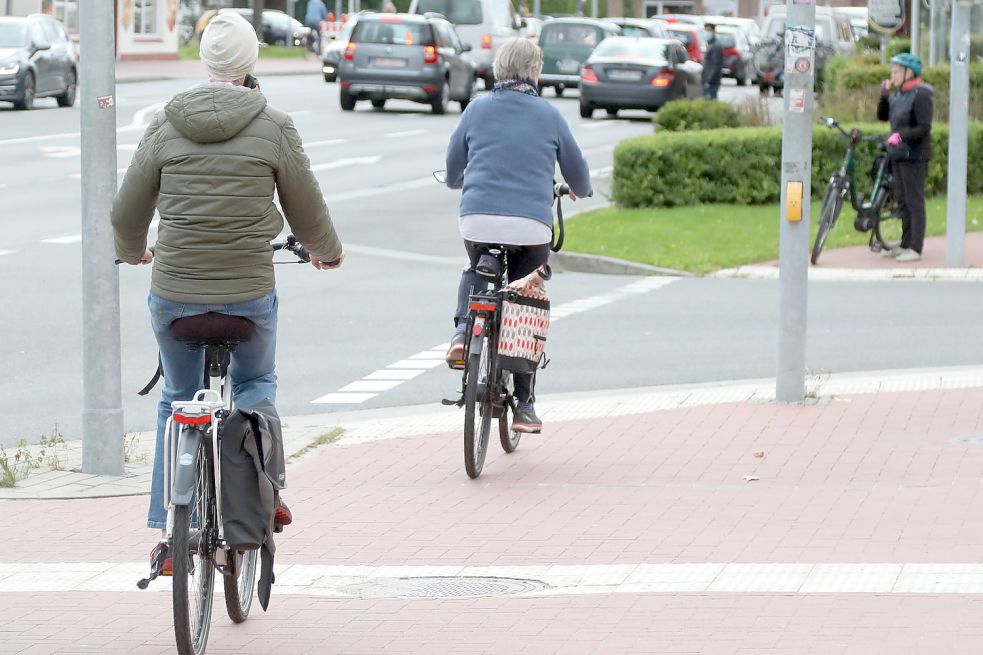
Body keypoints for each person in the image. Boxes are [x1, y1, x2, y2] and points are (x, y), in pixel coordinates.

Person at [111, 12, 344, 570]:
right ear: (251, 64)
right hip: (246, 294)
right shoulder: (274, 124)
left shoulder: (165, 125)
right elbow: (305, 208)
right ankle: (267, 492)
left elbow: (126, 212)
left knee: (176, 400)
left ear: (204, 59)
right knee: (256, 382)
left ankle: (172, 533)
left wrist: (133, 251)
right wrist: (325, 251)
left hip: (176, 295)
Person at [443, 37, 592, 434]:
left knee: (475, 265)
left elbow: (454, 165)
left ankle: (462, 332)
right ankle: (524, 404)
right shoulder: (549, 115)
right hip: (530, 226)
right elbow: (576, 171)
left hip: (476, 219)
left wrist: (458, 180)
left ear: (499, 70)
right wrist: (580, 188)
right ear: (535, 72)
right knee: (525, 298)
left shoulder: (476, 109)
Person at [877, 52, 933, 263]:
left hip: (914, 157)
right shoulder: (900, 95)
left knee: (914, 202)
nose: (893, 75)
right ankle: (904, 244)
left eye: (897, 71)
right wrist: (884, 95)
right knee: (901, 201)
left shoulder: (921, 95)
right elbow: (883, 116)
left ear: (910, 73)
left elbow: (923, 128)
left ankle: (916, 248)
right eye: (892, 71)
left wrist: (900, 136)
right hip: (898, 155)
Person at [702, 23, 724, 100]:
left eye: (708, 30)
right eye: (705, 30)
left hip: (712, 82)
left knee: (710, 103)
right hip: (709, 81)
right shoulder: (710, 45)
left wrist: (709, 81)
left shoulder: (715, 46)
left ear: (713, 32)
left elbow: (716, 65)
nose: (706, 33)